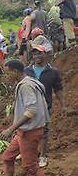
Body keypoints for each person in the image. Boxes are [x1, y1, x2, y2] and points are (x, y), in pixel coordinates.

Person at [0, 60, 65, 176]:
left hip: (30, 132)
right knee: (7, 157)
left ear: (15, 72)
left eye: (8, 72)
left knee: (30, 167)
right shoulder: (28, 82)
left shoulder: (26, 86)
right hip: (25, 131)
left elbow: (31, 111)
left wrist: (11, 128)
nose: (6, 76)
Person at [26, 37, 65, 168]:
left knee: (43, 132)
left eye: (39, 53)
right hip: (28, 106)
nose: (36, 55)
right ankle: (29, 152)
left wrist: (63, 105)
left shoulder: (53, 72)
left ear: (45, 54)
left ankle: (43, 156)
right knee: (28, 130)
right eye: (34, 53)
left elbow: (58, 89)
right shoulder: (27, 71)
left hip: (45, 106)